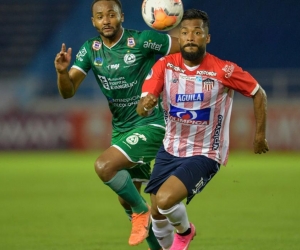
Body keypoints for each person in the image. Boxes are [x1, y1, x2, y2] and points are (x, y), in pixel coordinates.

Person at [137, 9, 269, 250]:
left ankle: (186, 232)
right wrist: (145, 106)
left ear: (207, 38)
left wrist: (259, 135)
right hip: (170, 149)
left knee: (166, 201)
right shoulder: (164, 65)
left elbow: (258, 92)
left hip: (205, 152)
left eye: (197, 32)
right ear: (179, 36)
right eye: (184, 32)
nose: (190, 37)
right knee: (156, 213)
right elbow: (143, 104)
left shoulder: (222, 70)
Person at [54, 0, 180, 249]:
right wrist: (61, 73)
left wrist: (179, 29)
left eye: (112, 14)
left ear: (122, 16)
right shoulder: (91, 49)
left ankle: (141, 210)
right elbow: (68, 92)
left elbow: (184, 48)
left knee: (104, 166)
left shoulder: (143, 40)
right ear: (94, 22)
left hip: (151, 122)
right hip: (122, 129)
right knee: (126, 200)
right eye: (100, 16)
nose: (106, 20)